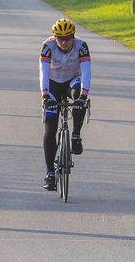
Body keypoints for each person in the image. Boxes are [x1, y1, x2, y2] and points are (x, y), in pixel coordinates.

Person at [39, 17, 91, 190]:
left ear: (73, 36)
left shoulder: (81, 46)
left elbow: (86, 71)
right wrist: (45, 95)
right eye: (60, 38)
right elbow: (43, 71)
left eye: (67, 37)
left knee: (79, 100)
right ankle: (50, 173)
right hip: (53, 83)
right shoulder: (47, 46)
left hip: (72, 81)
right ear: (54, 37)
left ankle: (75, 135)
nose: (64, 41)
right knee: (50, 127)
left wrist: (84, 95)